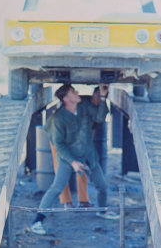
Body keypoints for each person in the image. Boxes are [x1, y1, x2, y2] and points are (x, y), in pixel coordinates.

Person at [31, 84, 119, 235]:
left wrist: (103, 98)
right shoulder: (58, 118)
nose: (77, 92)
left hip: (88, 155)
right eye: (73, 91)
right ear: (66, 99)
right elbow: (58, 144)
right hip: (68, 158)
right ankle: (37, 221)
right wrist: (73, 162)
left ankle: (102, 211)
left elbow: (99, 117)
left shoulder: (84, 106)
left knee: (102, 186)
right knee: (56, 188)